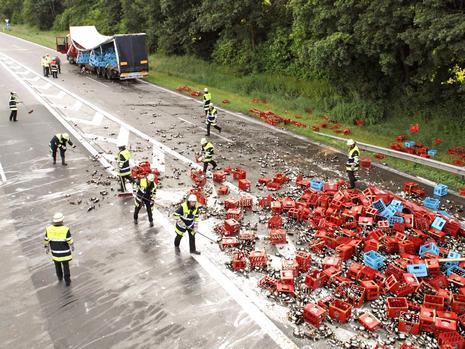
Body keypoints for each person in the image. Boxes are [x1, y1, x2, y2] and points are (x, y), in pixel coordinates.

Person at [43, 212, 74, 286]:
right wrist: (72, 245)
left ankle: (59, 277)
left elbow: (46, 240)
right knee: (66, 267)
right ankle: (67, 281)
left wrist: (46, 247)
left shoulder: (49, 229)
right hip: (65, 252)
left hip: (55, 252)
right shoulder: (65, 229)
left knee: (57, 266)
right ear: (62, 221)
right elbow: (69, 240)